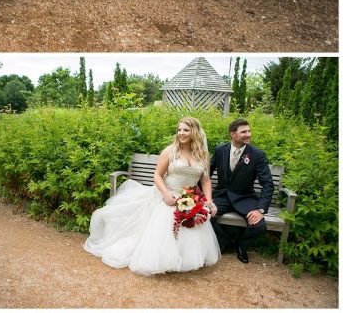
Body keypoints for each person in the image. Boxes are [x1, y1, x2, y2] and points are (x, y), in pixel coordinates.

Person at [83, 117, 220, 275]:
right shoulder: (171, 151)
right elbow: (157, 175)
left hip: (190, 198)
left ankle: (184, 259)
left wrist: (208, 200)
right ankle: (164, 259)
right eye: (179, 129)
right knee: (165, 221)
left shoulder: (202, 155)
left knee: (192, 224)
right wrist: (167, 195)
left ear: (194, 132)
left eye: (186, 130)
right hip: (166, 194)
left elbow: (205, 180)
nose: (181, 133)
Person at [209, 118, 274, 263]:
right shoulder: (220, 150)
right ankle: (224, 242)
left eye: (249, 131)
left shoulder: (257, 155)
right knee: (203, 215)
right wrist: (203, 197)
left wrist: (260, 210)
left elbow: (268, 184)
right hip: (222, 196)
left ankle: (241, 246)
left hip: (245, 198)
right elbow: (206, 175)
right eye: (243, 131)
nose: (248, 134)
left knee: (259, 226)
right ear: (232, 134)